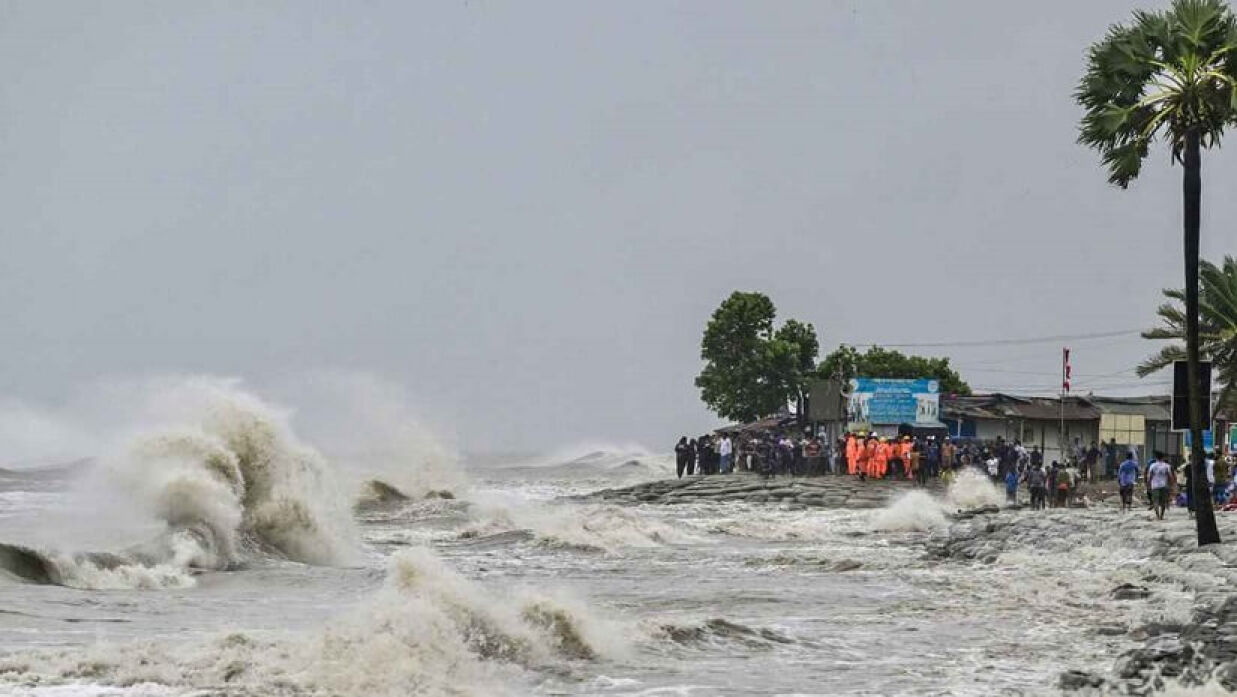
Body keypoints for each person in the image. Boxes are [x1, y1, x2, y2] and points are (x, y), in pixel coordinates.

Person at [1146, 452, 1175, 520]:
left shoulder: (1152, 465)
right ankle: (1162, 515)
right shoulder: (1167, 466)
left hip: (1155, 486)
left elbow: (1149, 476)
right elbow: (1170, 476)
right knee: (1163, 502)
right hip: (1164, 485)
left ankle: (1157, 515)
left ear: (1156, 458)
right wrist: (1172, 484)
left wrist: (1148, 484)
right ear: (1163, 458)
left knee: (1155, 501)